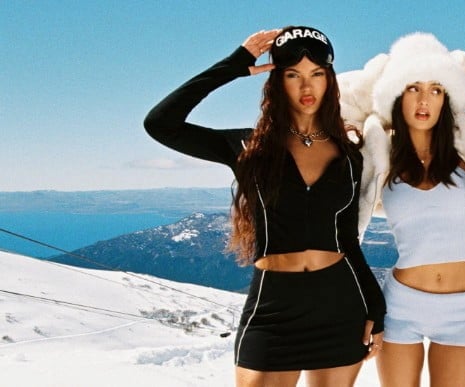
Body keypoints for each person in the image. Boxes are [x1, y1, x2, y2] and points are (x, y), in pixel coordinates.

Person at [144, 26, 384, 387]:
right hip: (273, 309)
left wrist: (376, 309)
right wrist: (233, 65)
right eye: (293, 75)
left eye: (317, 74)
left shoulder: (349, 154)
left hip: (340, 305)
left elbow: (348, 240)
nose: (307, 87)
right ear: (276, 81)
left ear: (329, 80)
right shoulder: (246, 148)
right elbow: (160, 124)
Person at [341, 33, 465, 387]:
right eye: (413, 88)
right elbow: (336, 98)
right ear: (395, 94)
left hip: (463, 309)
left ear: (448, 98)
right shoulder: (381, 159)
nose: (424, 100)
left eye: (437, 89)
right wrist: (353, 120)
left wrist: (461, 67)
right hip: (401, 306)